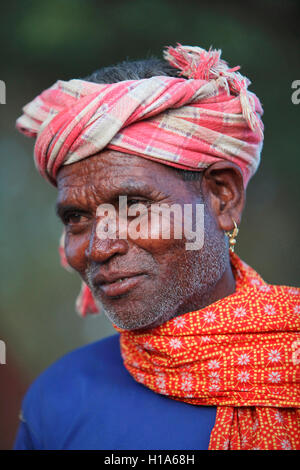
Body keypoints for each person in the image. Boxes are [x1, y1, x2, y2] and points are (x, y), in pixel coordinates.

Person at [14, 44, 299, 450]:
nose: (98, 247)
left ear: (223, 197)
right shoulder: (59, 400)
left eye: (133, 208)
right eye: (76, 218)